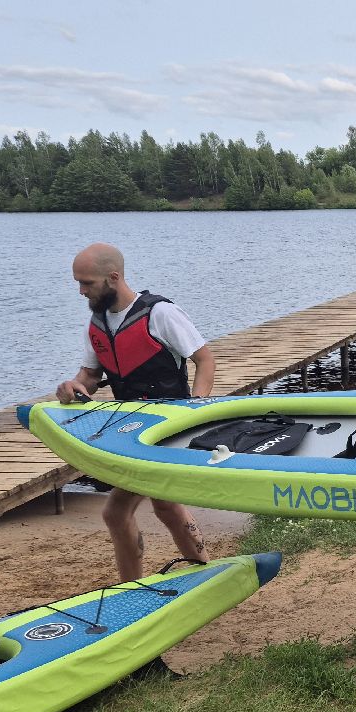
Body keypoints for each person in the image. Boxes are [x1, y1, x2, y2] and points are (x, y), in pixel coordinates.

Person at [55, 242, 217, 582]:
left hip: (169, 429)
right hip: (131, 430)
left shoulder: (160, 313)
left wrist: (197, 407)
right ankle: (200, 570)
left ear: (113, 277)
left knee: (120, 511)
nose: (81, 291)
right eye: (78, 283)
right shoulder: (96, 324)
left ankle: (135, 585)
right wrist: (74, 385)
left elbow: (204, 359)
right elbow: (91, 375)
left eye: (87, 283)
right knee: (163, 505)